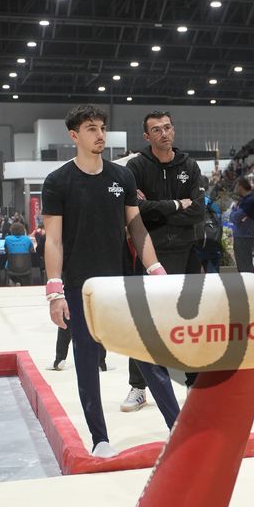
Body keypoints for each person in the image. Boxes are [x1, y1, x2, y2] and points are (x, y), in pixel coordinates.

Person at [41, 105, 167, 457]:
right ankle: (100, 439)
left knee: (148, 356)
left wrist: (155, 267)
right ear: (74, 136)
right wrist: (54, 291)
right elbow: (53, 240)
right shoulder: (58, 181)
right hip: (80, 286)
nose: (100, 134)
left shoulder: (122, 177)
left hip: (122, 283)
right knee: (86, 362)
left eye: (102, 128)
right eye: (91, 129)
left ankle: (177, 425)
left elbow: (136, 227)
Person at [119, 111, 203, 415]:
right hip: (149, 254)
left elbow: (198, 212)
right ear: (147, 136)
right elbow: (135, 212)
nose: (164, 133)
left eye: (167, 127)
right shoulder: (136, 167)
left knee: (189, 321)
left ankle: (193, 383)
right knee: (145, 322)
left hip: (186, 251)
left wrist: (157, 211)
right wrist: (177, 205)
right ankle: (139, 387)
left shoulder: (189, 166)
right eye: (156, 130)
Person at [229, 176, 254, 273]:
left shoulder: (251, 200)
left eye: (236, 187)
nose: (235, 190)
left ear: (240, 186)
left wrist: (234, 210)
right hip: (243, 235)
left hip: (244, 236)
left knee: (245, 265)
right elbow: (237, 218)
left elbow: (235, 218)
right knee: (242, 265)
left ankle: (249, 282)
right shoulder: (246, 199)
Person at [196, 176, 223, 274]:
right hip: (213, 245)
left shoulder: (192, 201)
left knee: (193, 279)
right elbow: (219, 221)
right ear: (207, 187)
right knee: (214, 277)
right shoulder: (212, 202)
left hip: (197, 246)